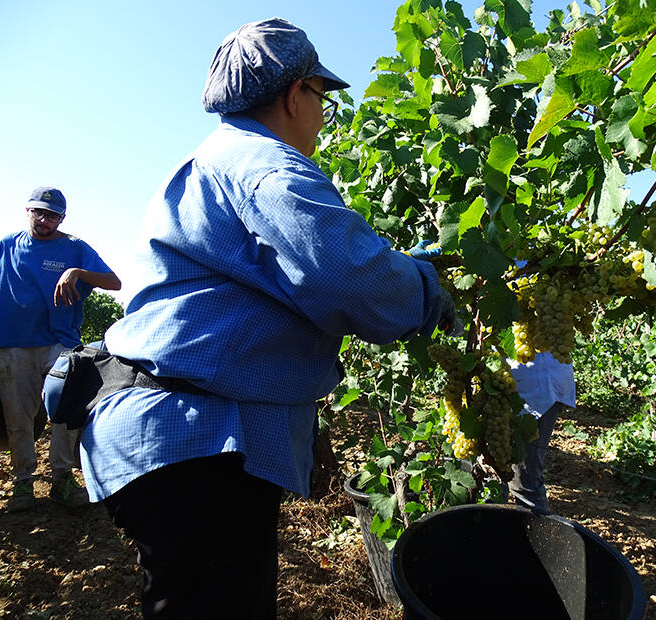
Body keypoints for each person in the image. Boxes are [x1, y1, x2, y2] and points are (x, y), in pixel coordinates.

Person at [78, 18, 454, 619]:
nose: (325, 114)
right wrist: (426, 289)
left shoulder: (213, 161)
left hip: (168, 435)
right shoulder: (266, 167)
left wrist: (403, 271)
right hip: (195, 441)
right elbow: (353, 282)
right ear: (292, 94)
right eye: (321, 96)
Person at [0, 187, 121, 512]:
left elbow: (113, 282)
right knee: (16, 415)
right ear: (27, 210)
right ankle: (22, 484)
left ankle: (62, 478)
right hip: (15, 343)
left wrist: (76, 272)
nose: (44, 220)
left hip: (61, 341)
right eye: (39, 212)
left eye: (52, 215)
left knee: (65, 407)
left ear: (62, 218)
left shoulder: (74, 248)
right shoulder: (5, 246)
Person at [508, 351, 576, 515]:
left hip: (532, 387)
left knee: (525, 478)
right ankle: (487, 530)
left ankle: (535, 536)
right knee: (490, 472)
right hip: (517, 382)